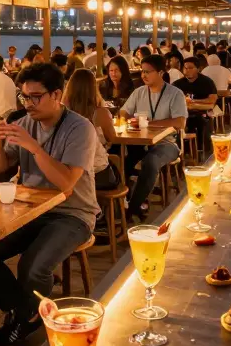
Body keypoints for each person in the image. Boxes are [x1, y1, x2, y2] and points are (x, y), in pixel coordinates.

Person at [0, 63, 98, 346]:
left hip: (73, 214)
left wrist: (34, 147)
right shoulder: (25, 123)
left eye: (35, 97)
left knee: (33, 265)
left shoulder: (80, 128)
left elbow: (66, 184)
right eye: (24, 97)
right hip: (29, 210)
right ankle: (24, 314)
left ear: (57, 94)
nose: (27, 104)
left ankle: (24, 319)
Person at [118, 54, 188, 222]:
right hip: (140, 140)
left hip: (167, 142)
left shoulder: (174, 94)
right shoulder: (139, 92)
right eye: (142, 71)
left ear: (161, 72)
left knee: (151, 162)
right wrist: (128, 119)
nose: (143, 75)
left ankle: (133, 207)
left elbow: (180, 122)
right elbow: (123, 112)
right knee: (120, 159)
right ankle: (122, 201)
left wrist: (151, 123)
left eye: (148, 72)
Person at [62, 68, 121, 191]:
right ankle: (123, 206)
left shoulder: (62, 113)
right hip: (96, 172)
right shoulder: (100, 113)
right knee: (117, 163)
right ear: (94, 88)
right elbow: (112, 138)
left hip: (68, 171)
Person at [174, 56, 214, 145]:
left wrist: (193, 102)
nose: (187, 70)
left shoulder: (207, 82)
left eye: (190, 68)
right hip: (182, 113)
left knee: (199, 120)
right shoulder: (177, 84)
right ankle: (180, 148)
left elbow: (212, 99)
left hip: (201, 112)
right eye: (185, 68)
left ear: (198, 69)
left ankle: (200, 147)